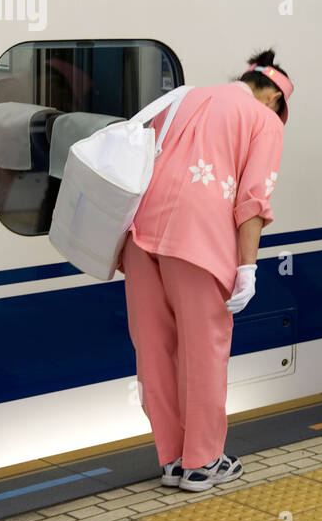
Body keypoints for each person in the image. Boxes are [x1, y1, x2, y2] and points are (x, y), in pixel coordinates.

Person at [121, 50, 292, 490]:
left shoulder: (183, 96)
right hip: (198, 242)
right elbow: (253, 200)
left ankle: (172, 459)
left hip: (139, 234)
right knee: (203, 351)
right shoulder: (264, 120)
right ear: (273, 94)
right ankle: (203, 462)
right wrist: (248, 267)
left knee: (154, 349)